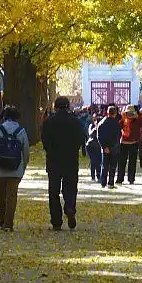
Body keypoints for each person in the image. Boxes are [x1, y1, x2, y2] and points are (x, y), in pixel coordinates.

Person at [42, 96, 87, 230]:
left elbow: (44, 139)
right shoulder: (76, 122)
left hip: (54, 160)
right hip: (71, 160)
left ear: (55, 106)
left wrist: (50, 150)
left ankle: (56, 220)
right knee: (71, 187)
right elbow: (80, 139)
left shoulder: (49, 121)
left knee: (54, 191)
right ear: (68, 106)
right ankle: (70, 208)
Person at [0, 105, 30, 231]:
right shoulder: (21, 131)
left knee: (0, 195)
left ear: (4, 117)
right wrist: (23, 167)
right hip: (15, 170)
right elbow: (26, 152)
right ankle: (8, 224)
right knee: (11, 197)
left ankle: (0, 221)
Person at [96, 105, 121, 188]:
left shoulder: (101, 123)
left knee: (104, 166)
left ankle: (103, 182)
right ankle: (111, 183)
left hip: (105, 148)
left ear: (107, 112)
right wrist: (114, 146)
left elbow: (99, 136)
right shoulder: (116, 124)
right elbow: (118, 136)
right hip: (114, 148)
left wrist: (104, 147)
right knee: (113, 167)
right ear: (115, 114)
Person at [116, 105, 142, 184]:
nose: (129, 114)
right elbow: (118, 127)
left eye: (131, 113)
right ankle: (120, 178)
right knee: (121, 162)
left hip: (133, 143)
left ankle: (131, 179)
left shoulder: (137, 120)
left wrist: (137, 117)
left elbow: (141, 125)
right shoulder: (123, 120)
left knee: (132, 162)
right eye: (128, 113)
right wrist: (122, 118)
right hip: (123, 143)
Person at [85, 111, 104, 181]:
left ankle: (98, 175)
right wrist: (95, 128)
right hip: (91, 146)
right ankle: (93, 176)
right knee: (93, 160)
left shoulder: (102, 126)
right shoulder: (91, 126)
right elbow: (90, 134)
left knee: (98, 161)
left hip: (99, 146)